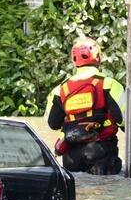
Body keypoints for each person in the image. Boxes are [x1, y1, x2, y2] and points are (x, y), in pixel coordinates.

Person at [45, 36, 126, 175]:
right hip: (100, 150)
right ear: (99, 57)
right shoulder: (110, 84)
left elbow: (52, 124)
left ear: (74, 61)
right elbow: (125, 119)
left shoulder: (60, 89)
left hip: (71, 156)